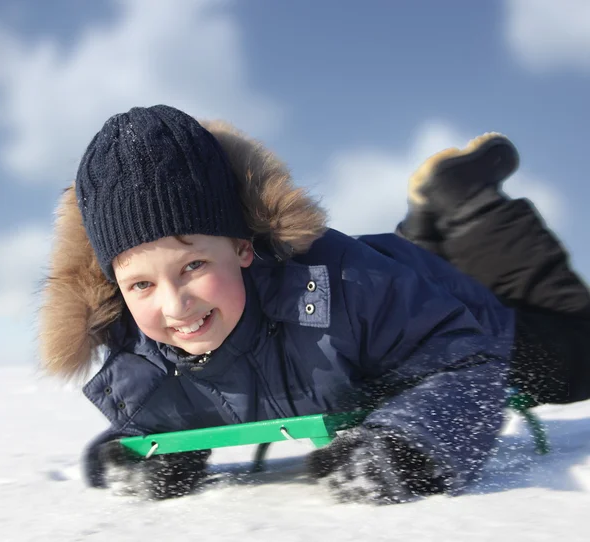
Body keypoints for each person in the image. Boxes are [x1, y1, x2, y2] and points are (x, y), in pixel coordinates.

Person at [39, 105, 590, 504]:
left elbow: (466, 358)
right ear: (115, 284)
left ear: (242, 248)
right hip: (397, 288)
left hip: (456, 314)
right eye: (141, 285)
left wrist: (411, 446)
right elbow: (147, 415)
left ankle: (468, 206)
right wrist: (139, 458)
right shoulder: (142, 348)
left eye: (193, 267)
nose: (175, 304)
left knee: (571, 355)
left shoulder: (336, 289)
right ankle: (427, 225)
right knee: (407, 278)